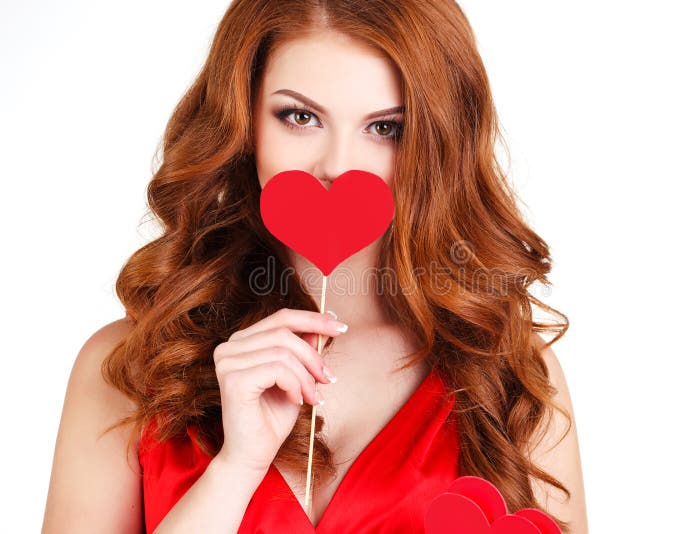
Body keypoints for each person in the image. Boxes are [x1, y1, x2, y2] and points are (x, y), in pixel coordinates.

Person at [42, 1, 588, 533]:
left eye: (385, 128)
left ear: (438, 142)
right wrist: (233, 474)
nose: (337, 166)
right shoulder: (123, 369)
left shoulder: (509, 371)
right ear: (242, 122)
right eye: (300, 117)